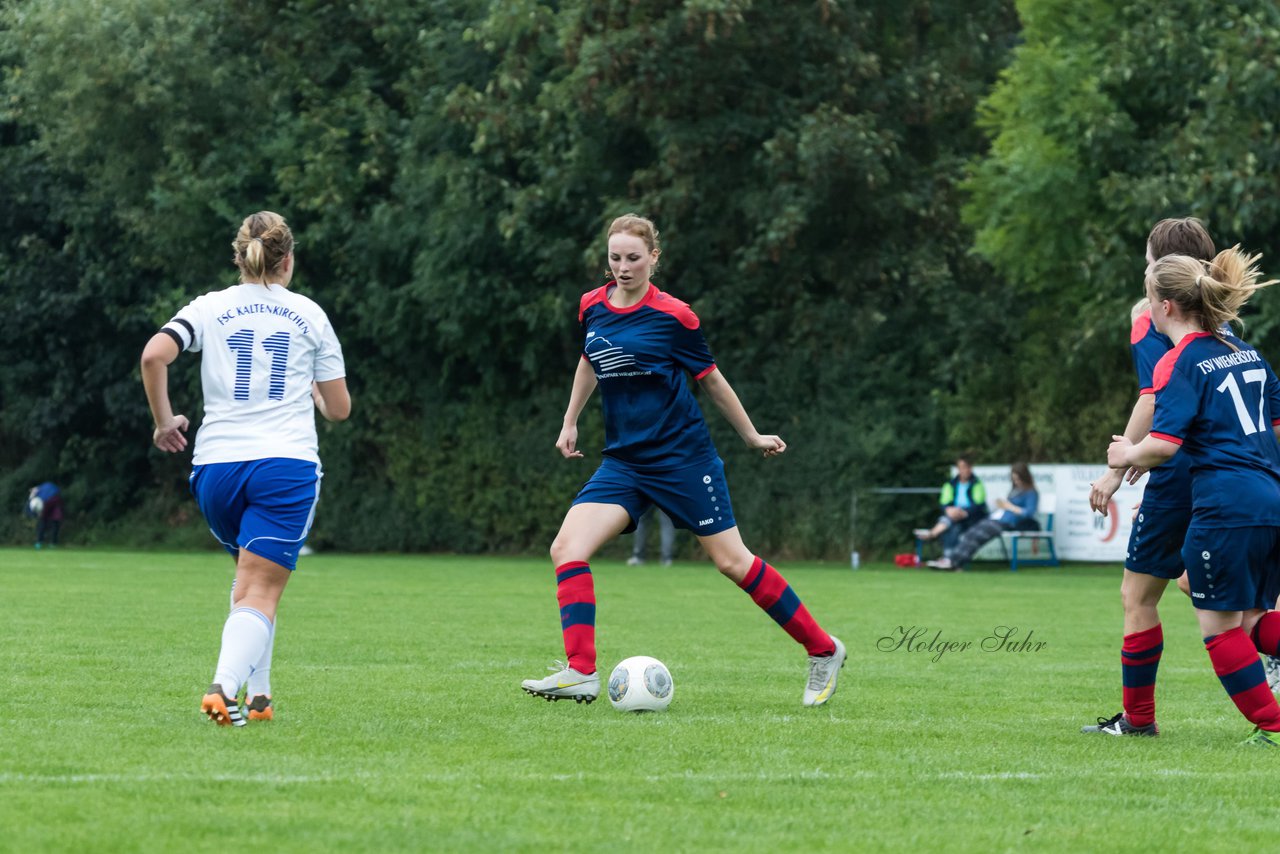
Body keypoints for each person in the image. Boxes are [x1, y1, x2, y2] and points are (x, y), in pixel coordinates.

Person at [521, 214, 845, 707]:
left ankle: (823, 650)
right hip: (625, 463)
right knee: (567, 548)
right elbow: (589, 360)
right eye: (615, 258)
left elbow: (711, 380)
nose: (623, 267)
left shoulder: (675, 316)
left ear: (654, 257)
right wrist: (570, 421)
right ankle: (580, 671)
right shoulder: (592, 306)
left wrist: (752, 435)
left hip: (682, 460)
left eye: (633, 257)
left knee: (732, 562)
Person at [140, 211, 350, 727]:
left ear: (241, 256)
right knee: (261, 588)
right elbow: (340, 409)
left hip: (216, 469)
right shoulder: (309, 314)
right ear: (288, 259)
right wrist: (314, 398)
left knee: (249, 584)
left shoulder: (210, 307)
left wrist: (164, 423)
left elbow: (153, 356)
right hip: (285, 465)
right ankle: (223, 686)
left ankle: (260, 697)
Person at [1107, 246, 1280, 747]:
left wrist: (1125, 456)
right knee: (1253, 622)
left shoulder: (1178, 363)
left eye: (1148, 296)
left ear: (1166, 307)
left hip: (1225, 506)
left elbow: (1164, 447)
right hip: (1270, 499)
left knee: (1221, 630)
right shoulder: (1247, 353)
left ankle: (1273, 724)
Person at [1083, 217, 1218, 737]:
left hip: (1176, 464)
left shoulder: (1147, 314)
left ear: (1159, 268)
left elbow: (1152, 395)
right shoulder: (1226, 322)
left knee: (1138, 597)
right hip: (1223, 469)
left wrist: (1117, 468)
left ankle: (1137, 722)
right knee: (1201, 583)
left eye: (1146, 257)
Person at [926, 464, 1038, 571]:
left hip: (1011, 523)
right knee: (971, 533)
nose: (1016, 482)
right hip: (997, 519)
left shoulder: (1031, 493)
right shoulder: (1015, 491)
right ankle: (950, 559)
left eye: (1018, 479)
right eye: (1014, 479)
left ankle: (955, 562)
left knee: (978, 536)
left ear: (1025, 477)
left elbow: (1029, 513)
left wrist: (1010, 507)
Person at [913, 456, 988, 560]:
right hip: (953, 517)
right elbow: (944, 503)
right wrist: (949, 510)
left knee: (950, 524)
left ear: (970, 468)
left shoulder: (977, 484)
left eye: (966, 467)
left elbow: (978, 505)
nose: (964, 470)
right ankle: (950, 558)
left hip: (972, 518)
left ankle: (934, 534)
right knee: (952, 526)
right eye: (961, 467)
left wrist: (963, 512)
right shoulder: (950, 484)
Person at [27, 482, 65, 548]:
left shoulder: (39, 494)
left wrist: (39, 513)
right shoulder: (45, 488)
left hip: (51, 502)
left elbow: (34, 506)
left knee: (46, 522)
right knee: (51, 523)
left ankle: (42, 542)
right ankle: (50, 542)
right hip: (54, 501)